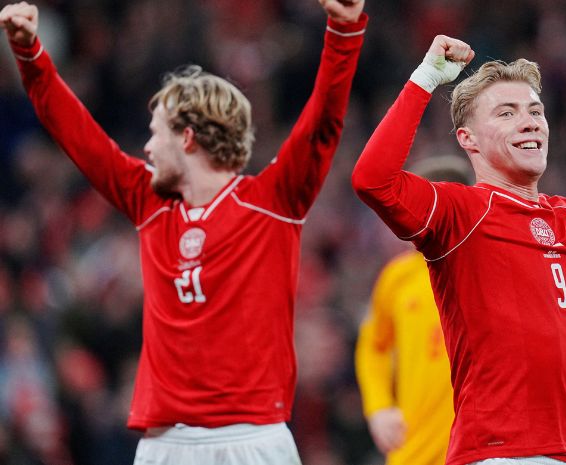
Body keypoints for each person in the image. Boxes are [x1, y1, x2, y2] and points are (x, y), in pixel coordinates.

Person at [1, 1, 367, 463]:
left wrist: (343, 30)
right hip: (166, 444)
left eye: (156, 133)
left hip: (252, 437)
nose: (148, 147)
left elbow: (324, 122)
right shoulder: (148, 202)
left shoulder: (272, 201)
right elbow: (76, 133)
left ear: (188, 138)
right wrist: (30, 53)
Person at [351, 34, 566, 465]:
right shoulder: (458, 213)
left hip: (564, 450)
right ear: (468, 139)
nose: (530, 122)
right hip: (496, 454)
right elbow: (373, 180)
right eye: (507, 113)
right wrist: (425, 80)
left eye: (535, 111)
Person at [355, 156, 566, 465]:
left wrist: (528, 413)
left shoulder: (512, 266)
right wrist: (378, 408)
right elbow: (374, 346)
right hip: (413, 452)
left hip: (484, 451)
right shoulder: (397, 278)